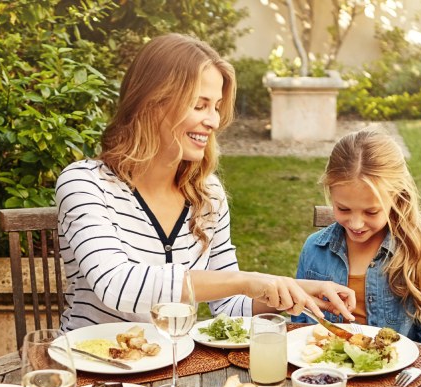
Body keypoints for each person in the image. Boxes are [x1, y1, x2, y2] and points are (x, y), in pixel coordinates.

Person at [55, 33, 355, 330]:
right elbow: (117, 285)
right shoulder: (85, 184)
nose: (213, 121)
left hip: (174, 365)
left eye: (215, 106)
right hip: (93, 366)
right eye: (199, 106)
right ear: (151, 103)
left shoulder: (206, 194)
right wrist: (246, 281)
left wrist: (289, 290)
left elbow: (228, 304)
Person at [294, 127, 421, 349]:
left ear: (397, 198)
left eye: (371, 212)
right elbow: (300, 330)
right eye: (343, 209)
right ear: (330, 193)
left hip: (398, 380)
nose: (356, 223)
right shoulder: (314, 249)